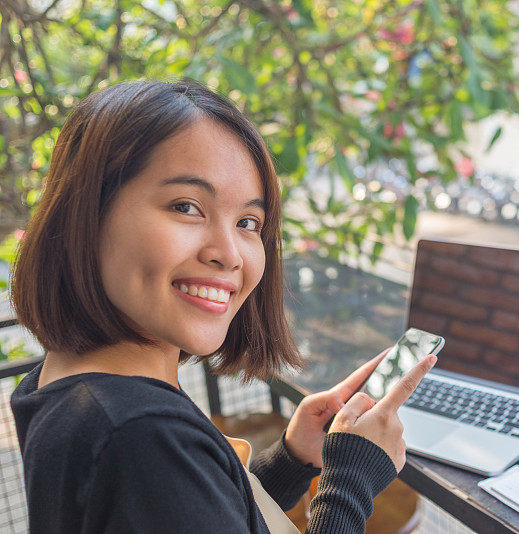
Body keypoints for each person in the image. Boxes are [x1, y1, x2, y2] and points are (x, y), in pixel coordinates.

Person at [9, 80, 437, 533]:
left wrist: (291, 463)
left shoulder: (72, 385)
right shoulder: (140, 432)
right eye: (187, 207)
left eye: (248, 222)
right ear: (86, 214)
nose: (229, 253)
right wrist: (350, 481)